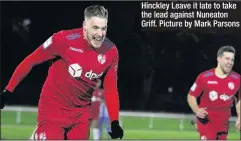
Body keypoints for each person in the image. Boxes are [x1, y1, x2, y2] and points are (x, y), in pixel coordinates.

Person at [0, 5, 124, 140]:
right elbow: (31, 60)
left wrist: (114, 121)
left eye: (103, 28)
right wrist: (8, 90)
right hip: (53, 108)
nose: (100, 34)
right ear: (85, 26)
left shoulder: (111, 51)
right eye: (95, 28)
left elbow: (111, 89)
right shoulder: (63, 39)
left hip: (81, 114)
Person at [187, 46, 240, 140]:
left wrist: (240, 117)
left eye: (232, 59)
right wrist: (197, 110)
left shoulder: (237, 79)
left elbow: (239, 99)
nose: (230, 62)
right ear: (219, 59)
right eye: (227, 59)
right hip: (206, 121)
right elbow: (191, 95)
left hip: (223, 124)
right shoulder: (204, 76)